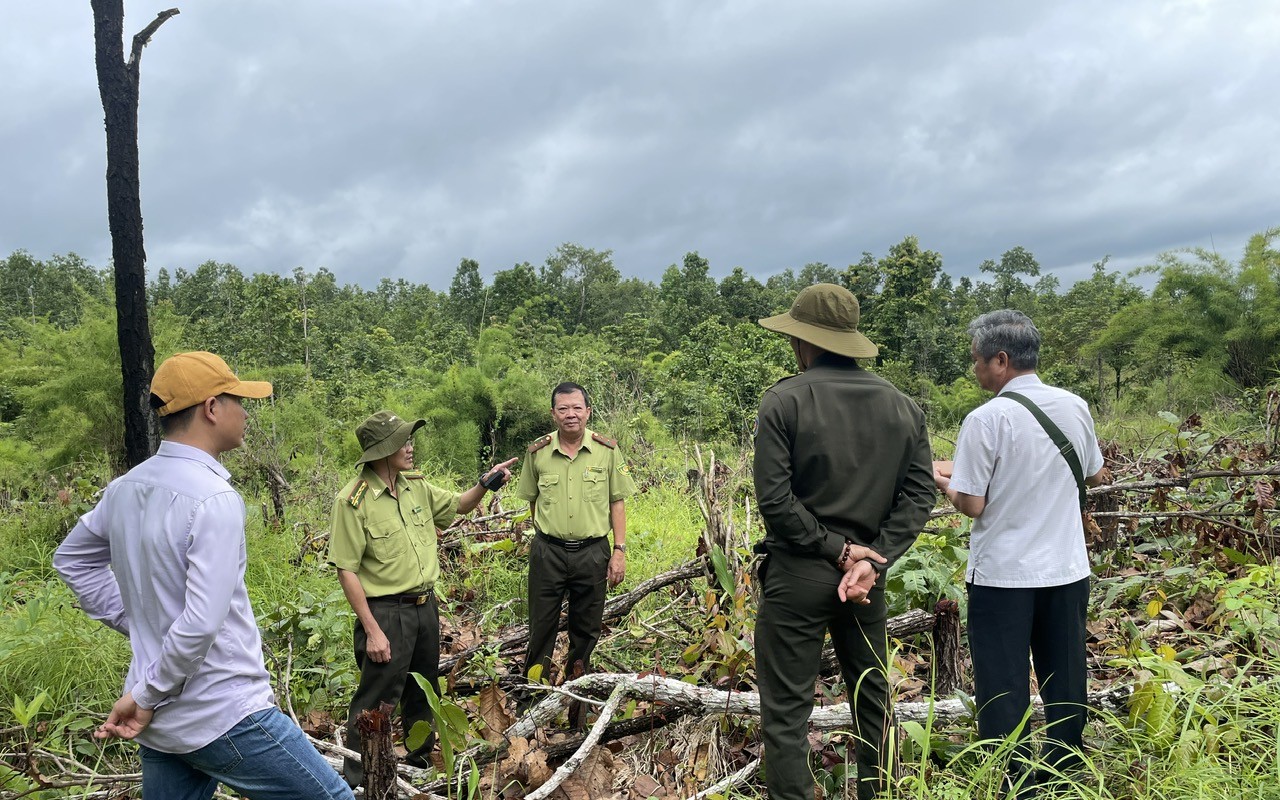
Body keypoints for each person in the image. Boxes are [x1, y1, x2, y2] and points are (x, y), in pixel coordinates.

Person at [53, 351, 353, 800]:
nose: (246, 412)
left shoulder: (125, 487)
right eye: (238, 400)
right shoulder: (213, 498)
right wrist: (150, 692)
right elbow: (199, 624)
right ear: (212, 408)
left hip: (159, 723)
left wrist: (136, 622)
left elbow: (72, 559)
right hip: (221, 712)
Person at [752, 284, 936, 800]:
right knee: (873, 700)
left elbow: (775, 500)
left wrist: (836, 550)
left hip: (798, 575)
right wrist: (873, 559)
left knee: (787, 712)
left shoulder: (784, 400)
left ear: (803, 343)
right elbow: (920, 494)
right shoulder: (902, 408)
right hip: (866, 583)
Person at [932, 310, 1107, 796]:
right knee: (1066, 677)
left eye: (976, 361)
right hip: (1067, 570)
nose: (974, 369)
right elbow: (1093, 473)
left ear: (1001, 360)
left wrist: (942, 481)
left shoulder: (985, 418)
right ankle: (1063, 776)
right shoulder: (1074, 405)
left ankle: (1012, 783)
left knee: (1003, 685)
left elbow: (972, 503)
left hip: (1003, 578)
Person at [327, 410, 517, 788]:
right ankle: (359, 782)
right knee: (374, 702)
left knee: (421, 691)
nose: (410, 447)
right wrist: (372, 629)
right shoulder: (352, 501)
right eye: (403, 442)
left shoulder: (415, 486)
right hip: (385, 613)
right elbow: (346, 569)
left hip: (424, 608)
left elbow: (459, 506)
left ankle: (418, 768)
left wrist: (486, 483)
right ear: (383, 451)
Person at [515, 382, 636, 685]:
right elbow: (533, 502)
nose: (571, 414)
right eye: (563, 408)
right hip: (548, 552)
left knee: (586, 629)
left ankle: (576, 697)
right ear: (553, 414)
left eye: (577, 408)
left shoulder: (607, 451)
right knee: (541, 626)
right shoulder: (538, 452)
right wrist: (547, 537)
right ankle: (533, 694)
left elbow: (616, 502)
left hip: (593, 552)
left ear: (588, 411)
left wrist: (619, 550)